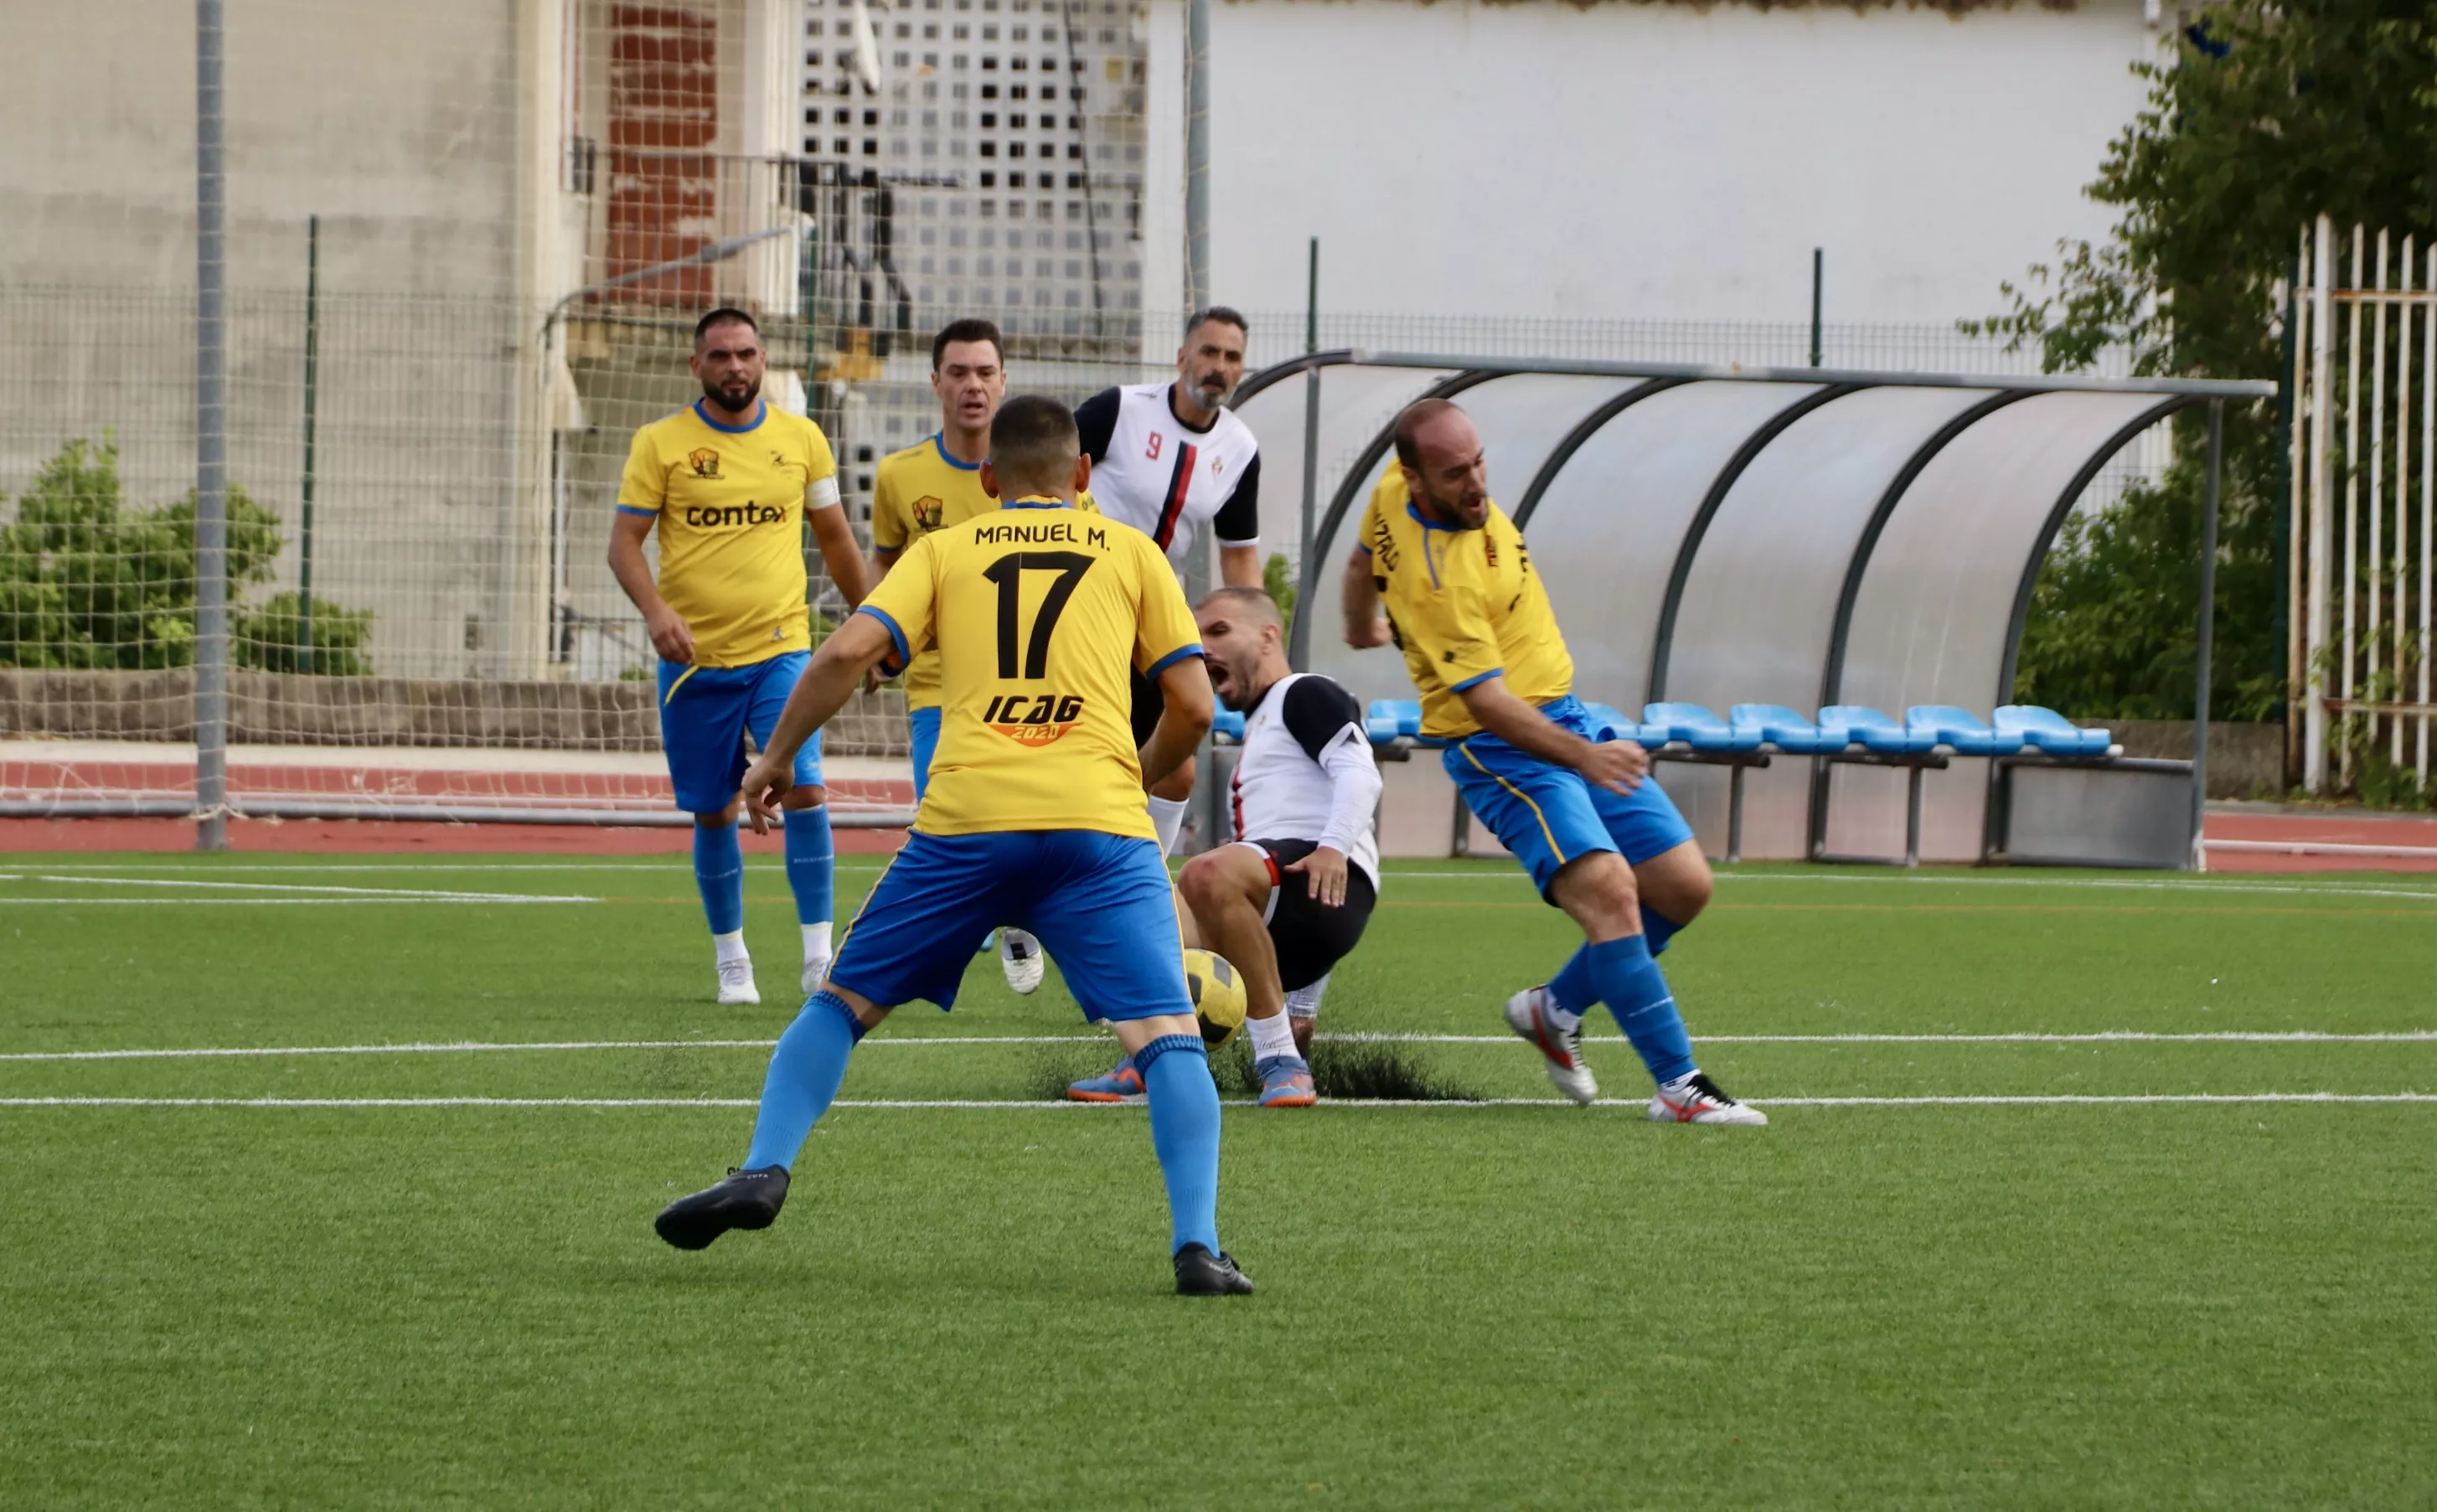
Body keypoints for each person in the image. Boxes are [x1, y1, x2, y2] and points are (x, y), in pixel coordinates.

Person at [653, 395, 1252, 1296]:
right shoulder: (1132, 552)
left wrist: (774, 758)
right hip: (1096, 825)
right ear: (1083, 476)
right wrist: (1129, 776)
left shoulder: (946, 549)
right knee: (1167, 1036)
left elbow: (845, 654)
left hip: (966, 820)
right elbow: (1197, 707)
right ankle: (1197, 1246)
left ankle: (764, 1167)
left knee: (842, 1001)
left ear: (986, 480)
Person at [1340, 399, 1764, 1125]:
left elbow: (1359, 558)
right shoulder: (1438, 580)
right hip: (1504, 747)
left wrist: (1360, 627)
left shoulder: (1393, 487)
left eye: (1478, 462)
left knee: (1683, 886)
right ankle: (1679, 1087)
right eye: (1455, 474)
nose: (1477, 484)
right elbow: (1490, 708)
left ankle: (1554, 1008)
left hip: (1565, 716)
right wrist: (1586, 760)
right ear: (1414, 478)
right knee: (1610, 893)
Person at [609, 307, 870, 1005]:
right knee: (715, 810)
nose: (735, 366)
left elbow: (839, 541)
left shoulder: (801, 439)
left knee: (806, 785)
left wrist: (873, 621)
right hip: (695, 663)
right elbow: (624, 545)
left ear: (763, 359)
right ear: (696, 366)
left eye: (746, 353)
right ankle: (733, 960)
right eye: (720, 355)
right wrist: (657, 613)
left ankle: (820, 956)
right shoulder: (660, 444)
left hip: (783, 647)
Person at [1069, 586, 1379, 1108]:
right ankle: (1156, 1058)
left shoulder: (1304, 691)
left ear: (1267, 636)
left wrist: (1333, 848)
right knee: (1128, 909)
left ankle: (1280, 1061)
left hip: (1323, 877)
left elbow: (1360, 774)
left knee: (1206, 873)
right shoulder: (1262, 721)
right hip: (1277, 893)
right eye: (1197, 637)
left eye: (1218, 630)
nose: (1204, 648)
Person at [869, 317, 1096, 997]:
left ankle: (1020, 922)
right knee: (946, 820)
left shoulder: (1058, 478)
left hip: (1033, 684)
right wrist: (882, 643)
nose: (972, 385)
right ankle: (934, 947)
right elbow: (886, 571)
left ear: (1004, 382)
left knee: (1030, 819)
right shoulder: (899, 475)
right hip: (940, 688)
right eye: (958, 372)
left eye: (984, 372)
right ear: (935, 381)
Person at [1071, 307, 1263, 855]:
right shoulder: (1118, 409)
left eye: (1231, 357)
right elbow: (1043, 474)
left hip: (1152, 616)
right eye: (1208, 352)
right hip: (1079, 607)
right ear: (1181, 357)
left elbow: (1240, 559)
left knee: (1175, 769)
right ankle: (1023, 906)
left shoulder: (1239, 449)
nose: (1218, 366)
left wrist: (1254, 642)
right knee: (1069, 759)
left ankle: (1138, 892)